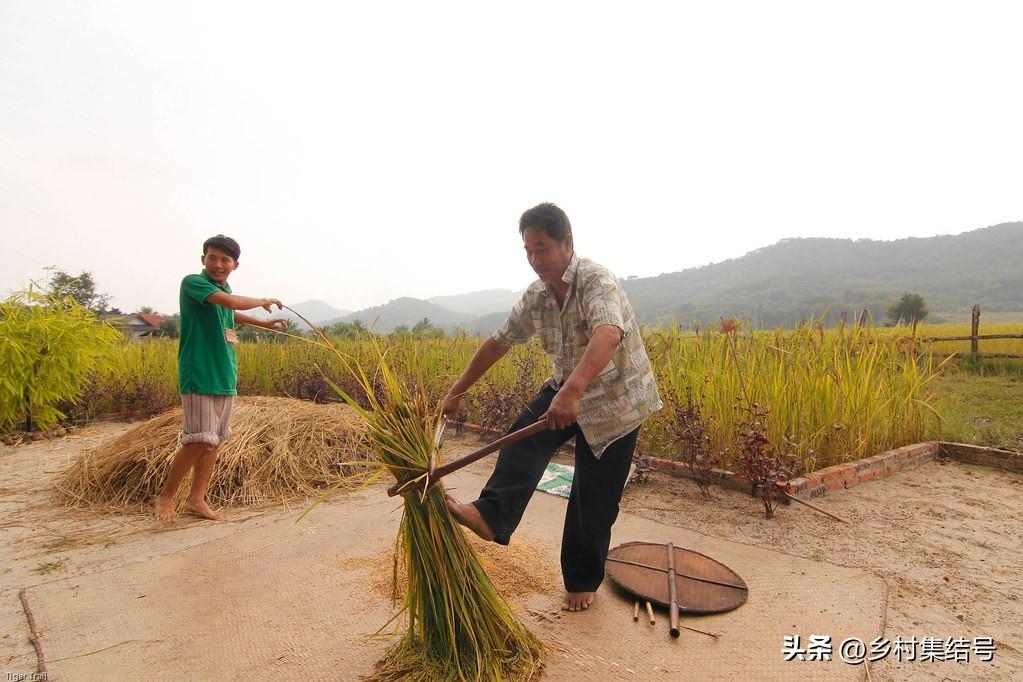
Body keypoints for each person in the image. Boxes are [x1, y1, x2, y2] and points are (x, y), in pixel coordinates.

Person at [443, 202, 662, 611]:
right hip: (566, 387)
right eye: (528, 250)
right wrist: (456, 392)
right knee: (521, 440)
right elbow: (498, 342)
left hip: (617, 400)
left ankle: (581, 582)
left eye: (542, 248)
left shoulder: (597, 280)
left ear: (567, 243)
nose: (534, 259)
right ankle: (492, 516)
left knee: (593, 496)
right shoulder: (537, 296)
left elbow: (608, 333)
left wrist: (574, 391)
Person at [155, 235, 289, 523]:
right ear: (203, 259)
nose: (218, 264)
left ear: (235, 265)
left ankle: (196, 499)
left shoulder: (223, 288)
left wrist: (263, 323)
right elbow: (227, 301)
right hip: (200, 373)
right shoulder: (194, 283)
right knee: (197, 440)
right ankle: (166, 497)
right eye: (213, 258)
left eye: (225, 260)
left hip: (224, 373)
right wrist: (263, 301)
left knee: (213, 442)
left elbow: (230, 311)